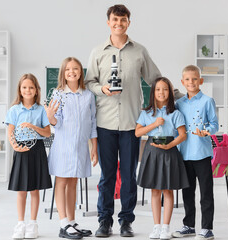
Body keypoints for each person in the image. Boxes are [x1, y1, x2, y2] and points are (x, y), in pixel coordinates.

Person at [85, 4, 161, 238]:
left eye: (123, 20)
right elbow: (89, 83)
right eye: (115, 20)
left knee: (129, 176)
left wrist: (177, 96)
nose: (119, 24)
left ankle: (126, 221)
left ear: (129, 22)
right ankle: (104, 221)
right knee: (107, 176)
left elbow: (156, 79)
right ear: (108, 22)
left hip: (131, 125)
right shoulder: (98, 52)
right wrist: (103, 89)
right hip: (105, 123)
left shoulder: (139, 51)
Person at [45, 57, 98, 239]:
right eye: (68, 69)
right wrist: (51, 117)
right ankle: (63, 224)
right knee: (62, 182)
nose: (72, 72)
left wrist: (94, 147)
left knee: (73, 182)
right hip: (63, 145)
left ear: (80, 72)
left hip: (80, 146)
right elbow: (55, 124)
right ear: (63, 73)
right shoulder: (58, 94)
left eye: (75, 68)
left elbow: (92, 123)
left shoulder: (88, 95)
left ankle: (72, 222)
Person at [135, 77, 189, 240]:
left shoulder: (176, 113)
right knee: (155, 190)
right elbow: (138, 133)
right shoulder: (145, 113)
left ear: (170, 92)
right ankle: (156, 226)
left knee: (168, 189)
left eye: (165, 89)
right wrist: (154, 124)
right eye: (158, 89)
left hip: (169, 152)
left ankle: (166, 227)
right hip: (152, 152)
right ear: (153, 92)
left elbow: (182, 135)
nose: (161, 92)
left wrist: (170, 145)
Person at [173, 65, 219, 240]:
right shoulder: (179, 104)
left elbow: (214, 124)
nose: (191, 82)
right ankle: (188, 225)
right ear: (182, 82)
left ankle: (207, 228)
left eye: (194, 79)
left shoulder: (207, 101)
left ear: (201, 81)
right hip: (184, 154)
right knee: (187, 192)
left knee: (206, 192)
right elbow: (177, 127)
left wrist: (206, 130)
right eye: (187, 79)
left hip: (202, 153)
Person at [6, 73, 52, 239]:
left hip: (36, 150)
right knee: (21, 190)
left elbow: (47, 133)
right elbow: (10, 131)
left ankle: (32, 223)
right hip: (21, 150)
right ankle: (20, 224)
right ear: (20, 89)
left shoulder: (41, 110)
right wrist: (15, 146)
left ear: (36, 90)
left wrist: (33, 126)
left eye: (31, 87)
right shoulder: (14, 110)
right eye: (24, 87)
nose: (27, 90)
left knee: (34, 189)